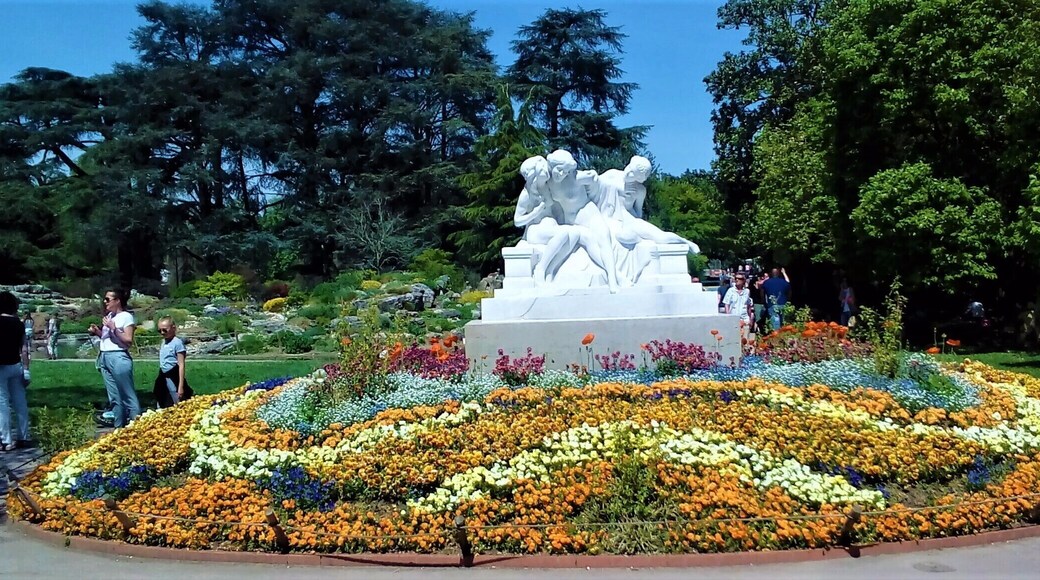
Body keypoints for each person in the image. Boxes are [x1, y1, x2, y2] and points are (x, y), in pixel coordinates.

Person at [88, 289, 140, 428]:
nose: (105, 302)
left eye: (107, 299)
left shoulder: (126, 317)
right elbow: (108, 339)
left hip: (118, 357)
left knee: (127, 395)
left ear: (117, 301)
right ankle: (119, 430)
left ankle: (137, 428)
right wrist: (97, 332)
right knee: (115, 398)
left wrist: (114, 328)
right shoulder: (110, 316)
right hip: (104, 356)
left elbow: (128, 340)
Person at [1, 292, 30, 451]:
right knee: (20, 403)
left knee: (2, 404)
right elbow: (24, 349)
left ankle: (6, 440)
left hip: (1, 367)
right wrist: (26, 369)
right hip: (16, 365)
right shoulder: (19, 323)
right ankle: (23, 436)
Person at [153, 317, 191, 408]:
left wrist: (180, 386)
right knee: (161, 397)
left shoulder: (177, 343)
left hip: (173, 375)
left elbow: (181, 365)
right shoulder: (164, 342)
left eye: (165, 330)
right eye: (160, 330)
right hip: (163, 375)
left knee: (177, 401)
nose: (162, 333)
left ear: (173, 328)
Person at [761, 267, 792, 332]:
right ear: (779, 274)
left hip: (772, 305)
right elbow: (789, 290)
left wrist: (764, 303)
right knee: (784, 323)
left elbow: (762, 293)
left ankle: (776, 337)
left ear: (771, 274)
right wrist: (788, 300)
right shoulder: (784, 282)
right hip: (784, 304)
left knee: (775, 324)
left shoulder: (766, 282)